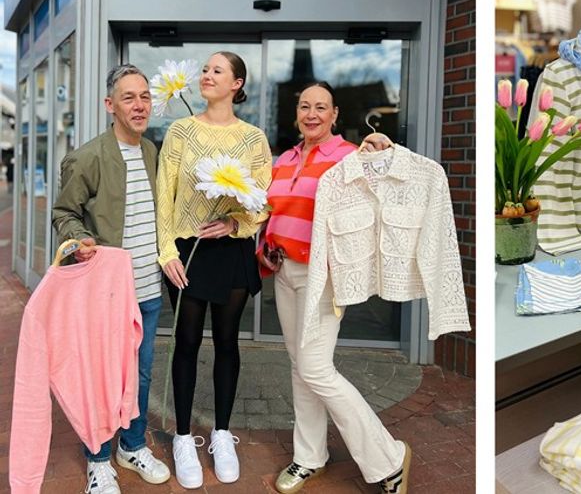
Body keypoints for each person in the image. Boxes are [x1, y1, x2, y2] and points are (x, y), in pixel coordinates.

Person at [258, 82, 413, 494]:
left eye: (320, 107)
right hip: (285, 271)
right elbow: (273, 211)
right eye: (305, 106)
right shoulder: (286, 158)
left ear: (334, 114)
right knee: (299, 366)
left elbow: (384, 183)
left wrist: (382, 144)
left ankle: (388, 458)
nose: (312, 114)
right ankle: (309, 457)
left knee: (316, 368)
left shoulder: (347, 156)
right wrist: (268, 248)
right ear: (297, 114)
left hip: (322, 276)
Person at [51, 64, 171, 493]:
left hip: (148, 292)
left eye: (144, 97)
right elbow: (63, 213)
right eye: (128, 98)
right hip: (105, 295)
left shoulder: (153, 151)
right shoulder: (87, 157)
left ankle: (132, 446)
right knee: (101, 375)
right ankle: (98, 459)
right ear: (110, 105)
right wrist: (80, 238)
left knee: (139, 376)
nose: (139, 106)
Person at [155, 51, 272, 488]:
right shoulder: (181, 131)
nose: (206, 75)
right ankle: (184, 437)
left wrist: (235, 222)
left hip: (232, 250)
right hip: (187, 249)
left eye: (216, 71)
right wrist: (166, 250)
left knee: (227, 343)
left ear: (236, 84)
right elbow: (163, 194)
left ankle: (222, 434)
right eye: (204, 69)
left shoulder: (254, 139)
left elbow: (263, 201)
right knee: (185, 342)